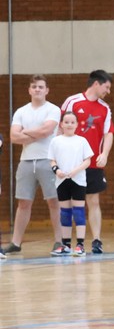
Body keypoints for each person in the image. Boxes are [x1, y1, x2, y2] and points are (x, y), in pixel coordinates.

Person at [5, 75, 64, 256]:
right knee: (23, 203)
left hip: (48, 160)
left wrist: (26, 132)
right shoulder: (21, 111)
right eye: (34, 86)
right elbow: (13, 137)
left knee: (54, 201)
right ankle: (16, 242)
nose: (37, 89)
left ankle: (60, 241)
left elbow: (47, 131)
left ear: (47, 90)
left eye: (40, 87)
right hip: (26, 161)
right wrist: (36, 134)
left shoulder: (53, 109)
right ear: (29, 90)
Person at [60, 70, 114, 254]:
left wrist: (104, 154)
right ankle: (68, 242)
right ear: (96, 83)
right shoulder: (72, 101)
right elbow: (60, 128)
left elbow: (108, 133)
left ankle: (97, 240)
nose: (108, 91)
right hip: (70, 165)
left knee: (93, 201)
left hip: (92, 164)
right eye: (107, 87)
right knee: (69, 203)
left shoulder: (105, 108)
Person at [47, 111, 94, 256]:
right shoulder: (55, 141)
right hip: (62, 181)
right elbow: (52, 160)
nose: (69, 125)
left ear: (77, 124)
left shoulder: (81, 141)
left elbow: (88, 160)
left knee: (78, 211)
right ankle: (66, 245)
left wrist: (76, 170)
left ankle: (80, 245)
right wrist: (57, 170)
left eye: (72, 122)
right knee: (65, 213)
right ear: (61, 124)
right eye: (66, 122)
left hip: (78, 180)